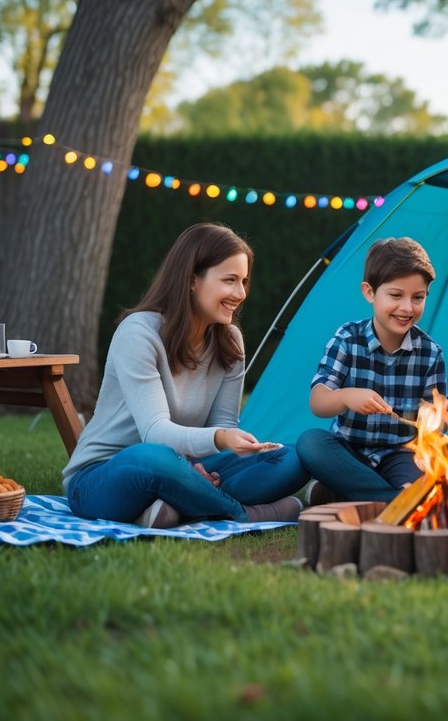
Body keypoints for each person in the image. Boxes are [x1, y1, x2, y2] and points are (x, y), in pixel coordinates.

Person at [62, 222, 308, 528]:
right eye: (230, 280)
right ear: (192, 280)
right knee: (154, 458)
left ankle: (178, 505)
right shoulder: (138, 334)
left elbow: (223, 425)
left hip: (185, 466)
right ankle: (240, 514)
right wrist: (213, 445)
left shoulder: (229, 341)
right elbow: (156, 433)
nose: (241, 293)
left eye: (244, 281)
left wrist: (195, 466)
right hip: (103, 477)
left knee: (292, 456)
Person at [296, 237, 446, 502]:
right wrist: (346, 397)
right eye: (396, 295)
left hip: (401, 454)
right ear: (369, 292)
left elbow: (435, 427)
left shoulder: (430, 353)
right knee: (310, 442)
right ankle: (393, 500)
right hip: (348, 450)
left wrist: (445, 412)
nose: (407, 307)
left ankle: (354, 494)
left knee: (425, 475)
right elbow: (318, 402)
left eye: (418, 297)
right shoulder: (347, 339)